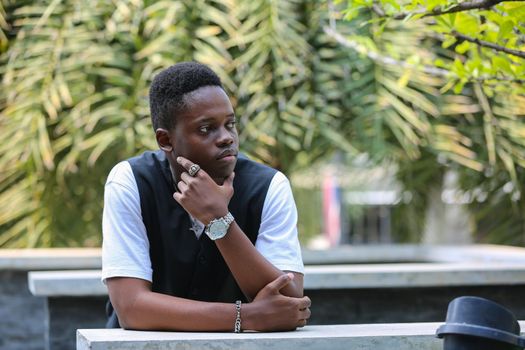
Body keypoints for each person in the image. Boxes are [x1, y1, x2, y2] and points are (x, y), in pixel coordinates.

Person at [102, 61, 311, 332]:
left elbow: (290, 305)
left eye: (230, 124)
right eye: (206, 128)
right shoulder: (130, 182)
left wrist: (218, 219)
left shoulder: (269, 186)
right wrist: (247, 317)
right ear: (165, 140)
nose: (226, 138)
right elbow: (131, 308)